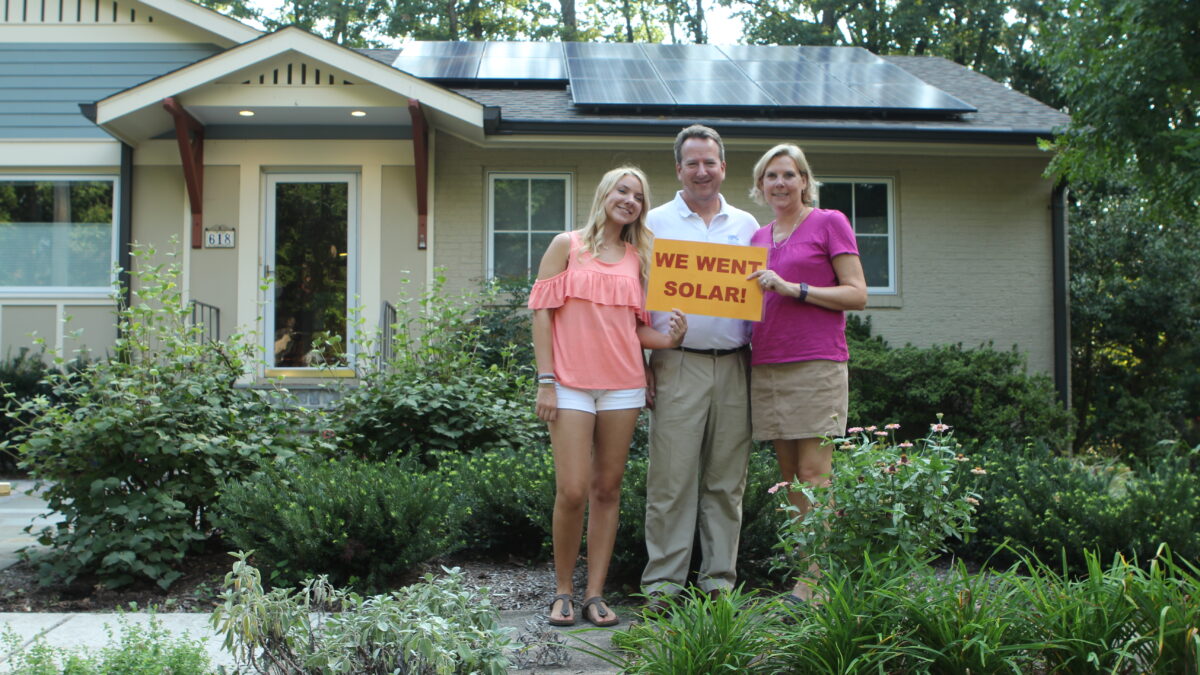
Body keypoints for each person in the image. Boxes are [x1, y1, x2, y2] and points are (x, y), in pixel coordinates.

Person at [529, 166, 687, 628]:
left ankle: (595, 593)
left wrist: (668, 340)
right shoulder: (567, 246)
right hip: (571, 384)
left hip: (623, 385)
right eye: (623, 190)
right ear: (604, 193)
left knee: (607, 489)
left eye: (638, 195)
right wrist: (546, 379)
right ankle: (562, 590)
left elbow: (633, 327)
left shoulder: (639, 257)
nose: (631, 200)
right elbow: (541, 314)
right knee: (573, 489)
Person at [641, 124, 760, 608]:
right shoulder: (652, 222)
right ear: (679, 169)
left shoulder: (748, 225)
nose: (702, 170)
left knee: (726, 482)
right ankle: (663, 588)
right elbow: (630, 300)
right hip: (676, 364)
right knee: (670, 480)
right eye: (692, 162)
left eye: (710, 161)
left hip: (736, 365)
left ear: (723, 167)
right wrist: (642, 362)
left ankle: (717, 584)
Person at [745, 143, 867, 602]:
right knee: (791, 476)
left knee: (817, 473)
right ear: (760, 186)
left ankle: (816, 580)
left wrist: (795, 288)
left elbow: (856, 294)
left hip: (816, 361)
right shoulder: (758, 238)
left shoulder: (828, 222)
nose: (780, 183)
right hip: (768, 363)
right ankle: (807, 570)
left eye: (788, 175)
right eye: (771, 176)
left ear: (804, 181)